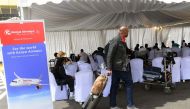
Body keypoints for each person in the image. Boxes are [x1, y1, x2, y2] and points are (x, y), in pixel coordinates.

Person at [106, 26, 138, 109]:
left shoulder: (122, 41)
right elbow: (110, 55)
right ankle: (129, 105)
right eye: (127, 31)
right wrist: (109, 68)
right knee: (128, 84)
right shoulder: (116, 40)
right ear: (122, 31)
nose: (128, 33)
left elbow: (125, 50)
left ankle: (113, 105)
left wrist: (133, 52)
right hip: (120, 67)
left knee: (115, 85)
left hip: (120, 67)